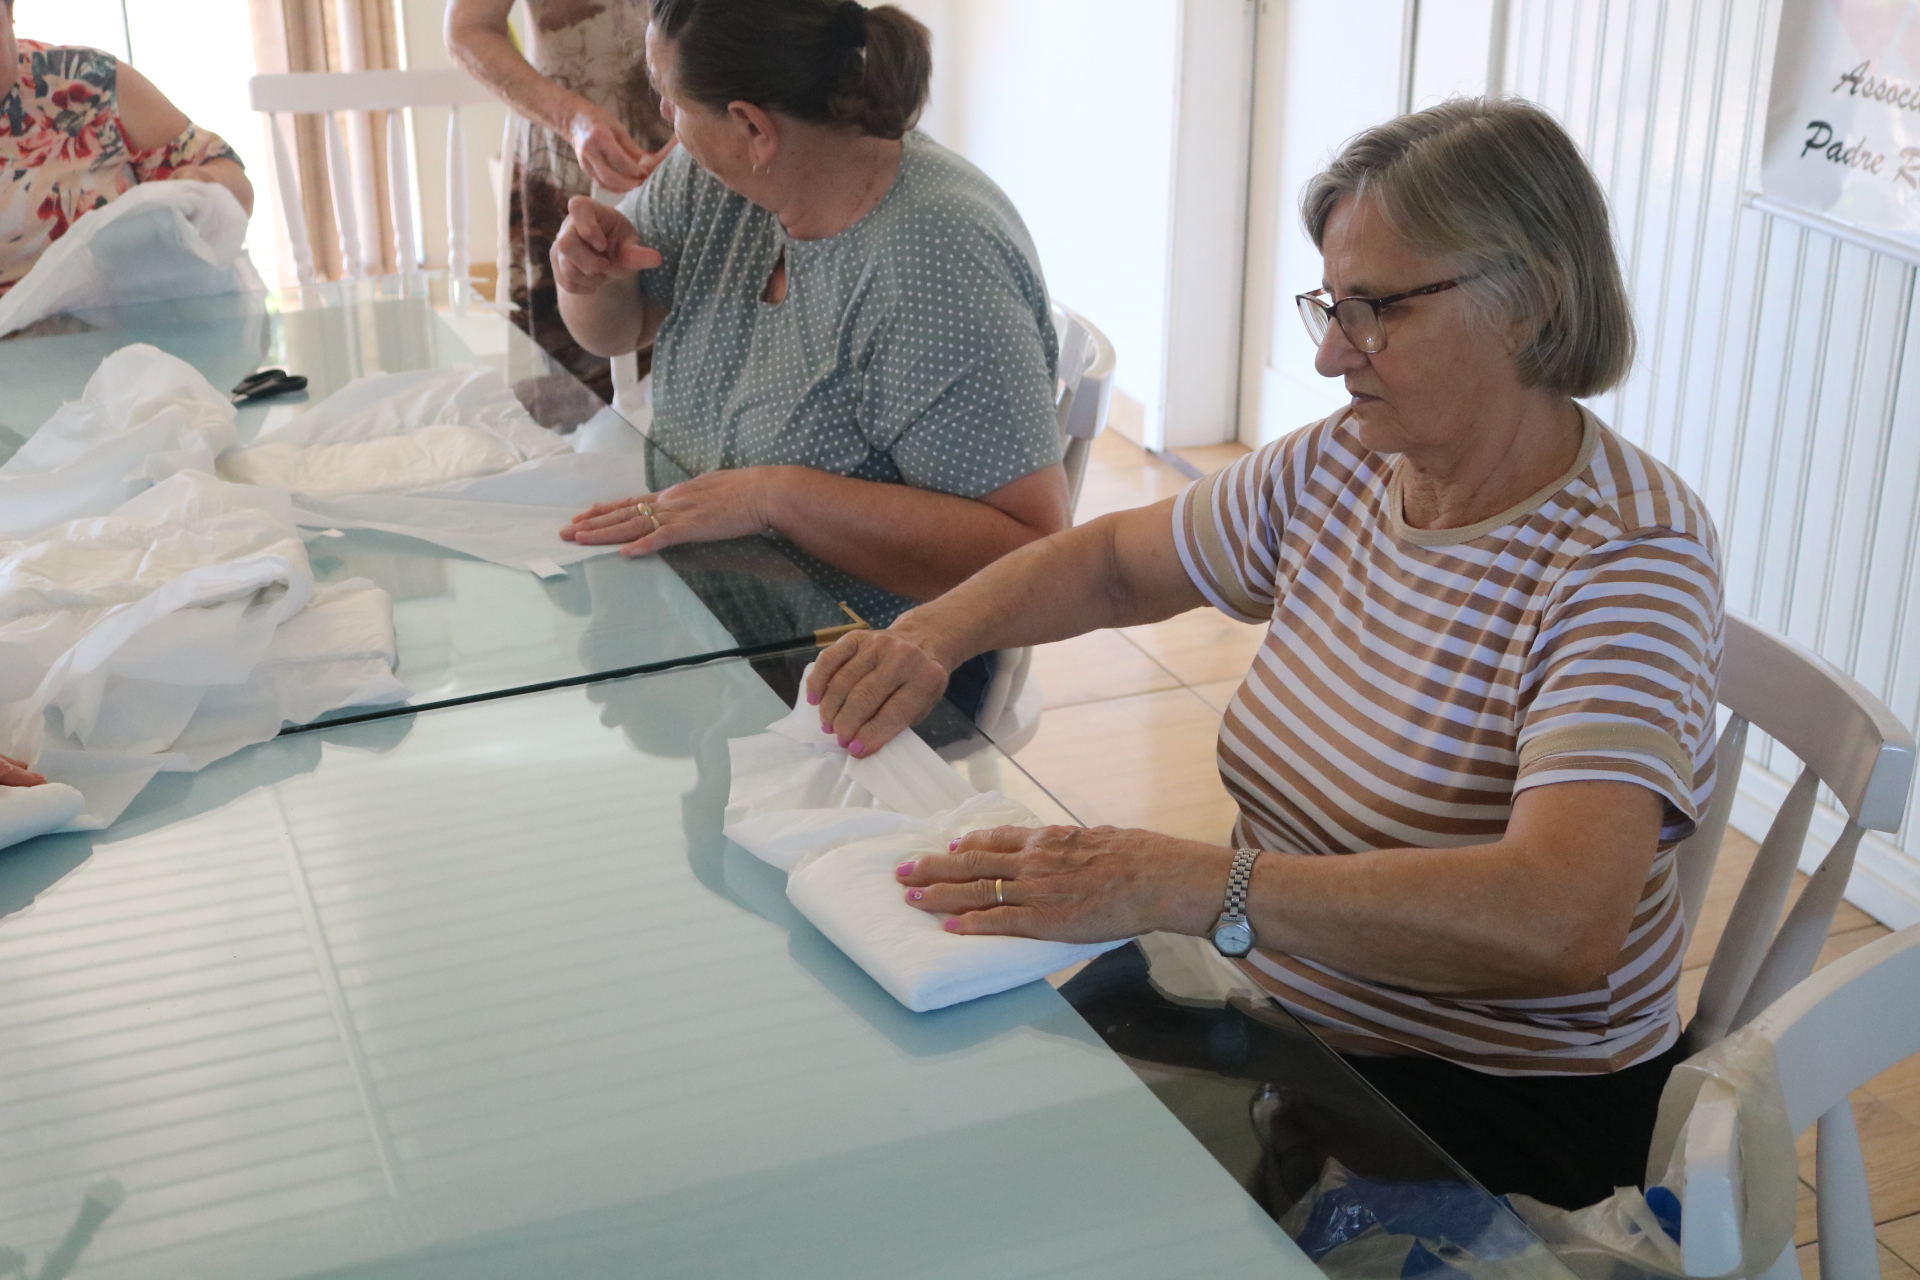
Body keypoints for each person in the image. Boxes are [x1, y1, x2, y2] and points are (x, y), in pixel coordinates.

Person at [807, 97, 1725, 1211]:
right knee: (948, 1120)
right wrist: (931, 632)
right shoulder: (1347, 462)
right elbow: (1114, 566)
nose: (1333, 353)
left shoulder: (1628, 558)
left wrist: (1192, 883)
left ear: (1530, 301)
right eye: (1331, 306)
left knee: (1030, 1195)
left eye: (1376, 310)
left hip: (1484, 1103)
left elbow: (1556, 921)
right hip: (1281, 1015)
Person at [549, 0, 1071, 716]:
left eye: (671, 100)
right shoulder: (712, 179)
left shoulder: (934, 261)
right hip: (721, 598)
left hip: (885, 658)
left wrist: (773, 497)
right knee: (584, 683)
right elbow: (617, 330)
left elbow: (1029, 554)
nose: (666, 118)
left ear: (753, 128)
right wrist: (591, 276)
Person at [446, 0, 674, 402]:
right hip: (565, 171)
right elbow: (468, 29)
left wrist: (699, 133)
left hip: (719, 155)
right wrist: (573, 119)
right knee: (576, 400)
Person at [0, 0, 252, 296]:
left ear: (9, 9)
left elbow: (234, 185)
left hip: (129, 317)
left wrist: (198, 184)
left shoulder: (84, 83)